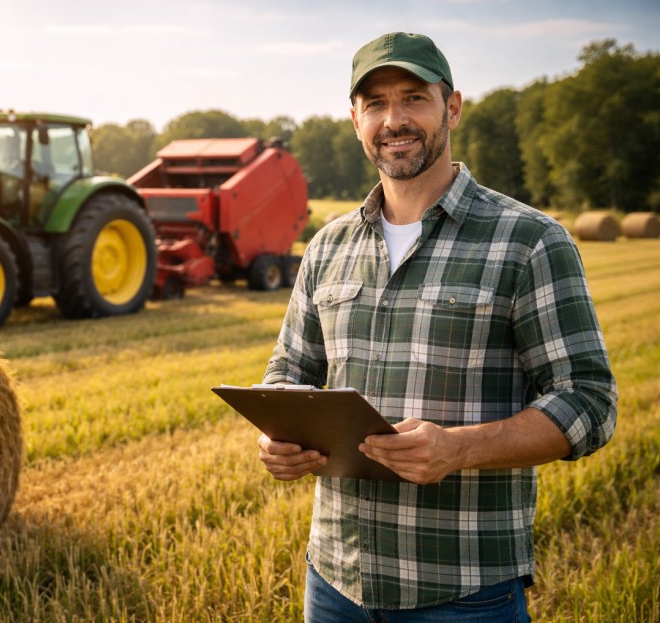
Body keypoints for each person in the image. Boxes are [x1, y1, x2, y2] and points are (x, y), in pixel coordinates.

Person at [258, 31, 617, 622]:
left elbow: (590, 402)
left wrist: (459, 449)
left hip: (464, 594)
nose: (393, 119)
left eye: (413, 98)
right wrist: (275, 434)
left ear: (451, 107)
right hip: (333, 584)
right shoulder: (328, 247)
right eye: (375, 104)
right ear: (355, 119)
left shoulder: (528, 240)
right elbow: (289, 372)